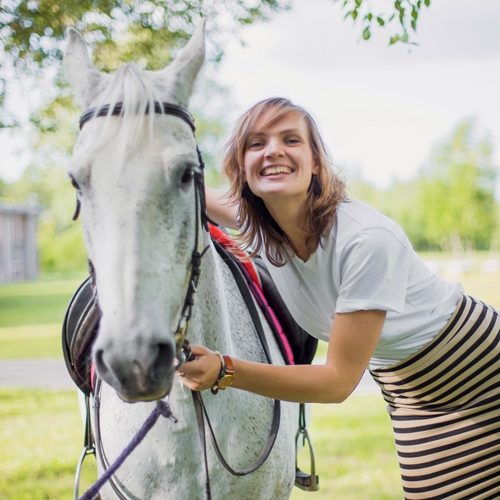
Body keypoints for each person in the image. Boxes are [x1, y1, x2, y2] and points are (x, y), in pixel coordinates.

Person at [178, 97, 500, 499]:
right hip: (410, 388)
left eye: (291, 139)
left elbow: (337, 382)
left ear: (316, 162)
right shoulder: (261, 226)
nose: (273, 150)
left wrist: (226, 370)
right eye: (256, 143)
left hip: (481, 371)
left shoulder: (366, 241)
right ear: (242, 167)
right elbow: (182, 183)